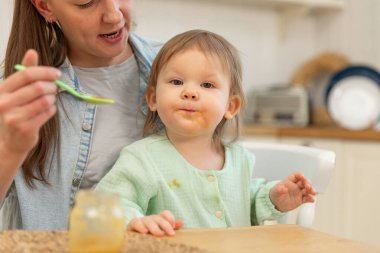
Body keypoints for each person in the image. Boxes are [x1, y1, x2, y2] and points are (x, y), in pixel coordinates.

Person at [95, 29, 317, 237]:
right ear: (153, 98)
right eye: (176, 81)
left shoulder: (240, 159)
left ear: (230, 106)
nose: (190, 92)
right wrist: (136, 221)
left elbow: (246, 203)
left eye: (207, 85)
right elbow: (106, 203)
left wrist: (273, 198)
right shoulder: (142, 158)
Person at [0, 0, 161, 230]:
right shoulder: (13, 96)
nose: (114, 16)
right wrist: (9, 149)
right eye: (85, 2)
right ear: (45, 6)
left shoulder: (192, 73)